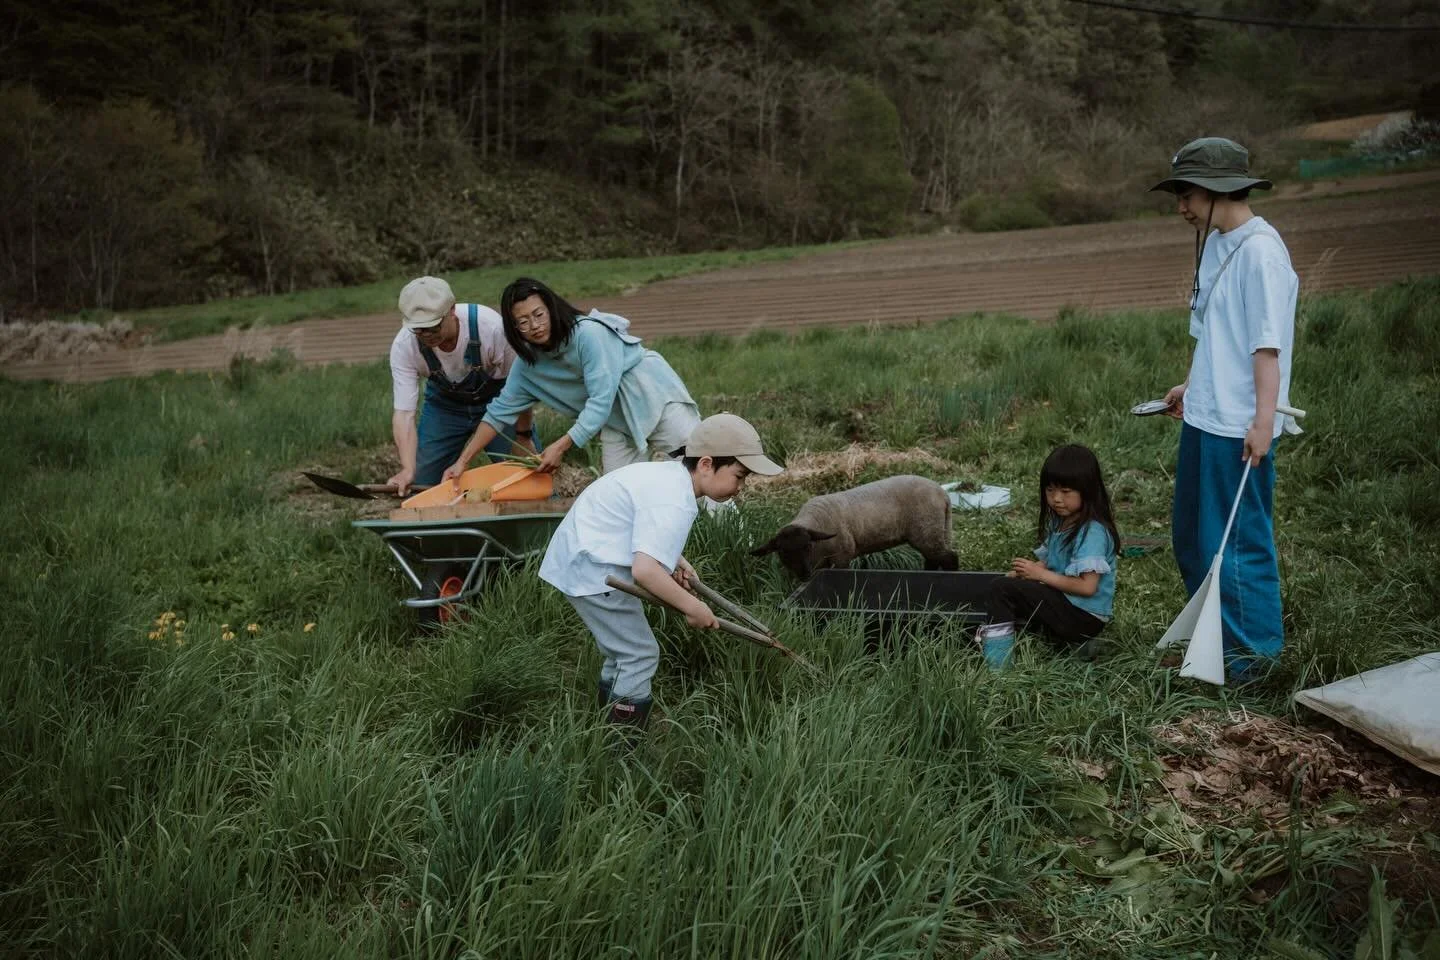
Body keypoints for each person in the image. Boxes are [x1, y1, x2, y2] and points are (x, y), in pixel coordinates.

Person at [1151, 137, 1298, 681]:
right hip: (1204, 416)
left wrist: (1263, 421)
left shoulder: (1261, 253)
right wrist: (1192, 385)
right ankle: (1214, 644)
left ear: (1215, 190)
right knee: (1190, 537)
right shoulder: (1217, 242)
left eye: (1186, 194)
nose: (1180, 207)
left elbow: (1266, 347)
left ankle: (1253, 666)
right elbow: (1214, 331)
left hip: (1239, 424)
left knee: (1237, 545)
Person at [538, 413, 783, 735]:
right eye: (739, 476)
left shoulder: (668, 477)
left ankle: (606, 724)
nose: (741, 487)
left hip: (582, 556)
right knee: (639, 653)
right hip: (594, 569)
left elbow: (643, 525)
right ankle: (622, 746)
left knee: (622, 651)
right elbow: (645, 570)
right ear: (707, 464)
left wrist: (674, 559)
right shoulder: (676, 500)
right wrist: (692, 607)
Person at [440, 277, 701, 486]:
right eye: (523, 321)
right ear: (513, 328)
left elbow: (599, 402)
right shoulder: (526, 367)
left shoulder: (588, 334)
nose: (535, 325)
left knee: (702, 469)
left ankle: (732, 537)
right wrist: (462, 461)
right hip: (616, 422)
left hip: (653, 398)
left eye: (539, 314)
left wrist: (561, 446)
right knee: (618, 492)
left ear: (551, 309)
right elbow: (497, 414)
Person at [386, 276, 536, 495]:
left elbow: (522, 388)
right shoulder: (404, 346)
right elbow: (404, 415)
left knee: (528, 474)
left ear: (452, 310)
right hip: (445, 407)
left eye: (433, 327)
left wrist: (523, 435)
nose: (426, 336)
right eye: (419, 330)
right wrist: (407, 468)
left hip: (501, 401)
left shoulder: (491, 328)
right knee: (421, 484)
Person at [979, 445, 1120, 668]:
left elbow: (1087, 587)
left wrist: (1040, 574)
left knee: (1001, 590)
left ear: (1087, 490)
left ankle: (998, 666)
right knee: (1007, 586)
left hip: (1083, 617)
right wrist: (1028, 572)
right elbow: (1055, 560)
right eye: (1050, 490)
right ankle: (1038, 641)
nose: (1056, 499)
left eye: (1065, 492)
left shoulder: (1092, 532)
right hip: (1069, 606)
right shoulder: (1062, 520)